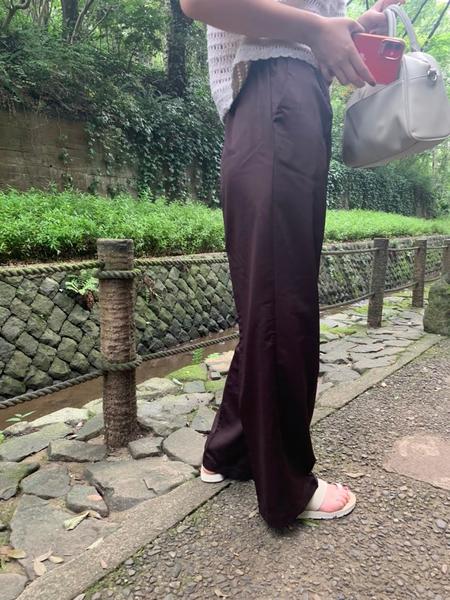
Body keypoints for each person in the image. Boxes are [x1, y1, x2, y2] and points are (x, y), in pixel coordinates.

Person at [181, 0, 403, 528]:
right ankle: (285, 486)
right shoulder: (284, 61)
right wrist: (316, 29)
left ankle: (228, 451)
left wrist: (352, 27)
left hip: (277, 99)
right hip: (278, 91)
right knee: (282, 295)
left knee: (269, 291)